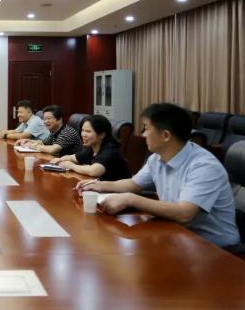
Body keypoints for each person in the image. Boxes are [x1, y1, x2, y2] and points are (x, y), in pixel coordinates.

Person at [76, 103, 240, 247]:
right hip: (177, 235)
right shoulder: (157, 158)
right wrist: (99, 185)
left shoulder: (203, 166)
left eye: (146, 129)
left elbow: (185, 213)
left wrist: (130, 199)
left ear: (165, 135)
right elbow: (133, 184)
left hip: (216, 247)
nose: (143, 135)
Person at [51, 114, 130, 181]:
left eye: (88, 131)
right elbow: (73, 157)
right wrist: (60, 160)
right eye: (83, 130)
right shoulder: (92, 148)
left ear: (102, 135)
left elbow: (94, 171)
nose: (83, 134)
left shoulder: (110, 151)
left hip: (118, 192)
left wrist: (72, 166)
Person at [16, 105, 82, 155]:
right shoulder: (54, 131)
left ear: (59, 120)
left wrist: (32, 146)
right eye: (44, 119)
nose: (46, 121)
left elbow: (52, 150)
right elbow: (43, 142)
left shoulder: (67, 132)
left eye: (49, 118)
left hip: (72, 166)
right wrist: (28, 141)